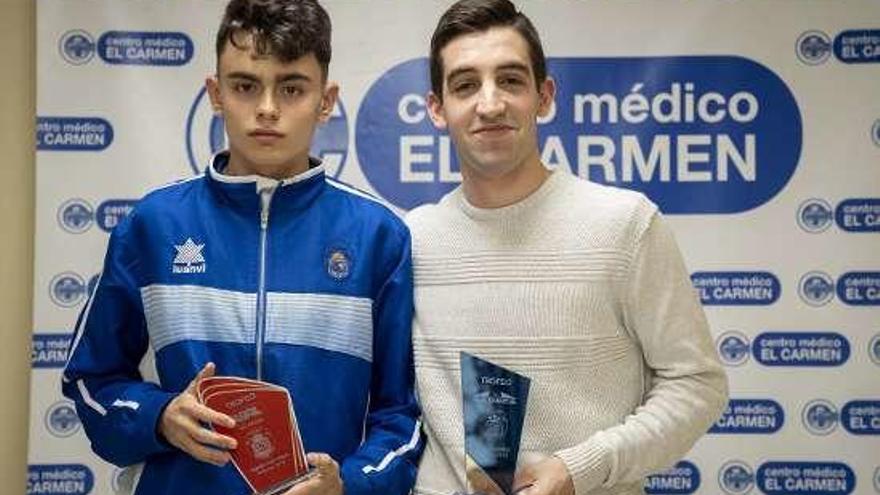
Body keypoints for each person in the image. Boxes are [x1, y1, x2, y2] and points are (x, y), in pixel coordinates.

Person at [61, 1, 422, 494]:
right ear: (215, 93)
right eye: (245, 86)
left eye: (292, 87)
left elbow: (404, 413)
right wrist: (158, 415)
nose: (268, 108)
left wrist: (350, 486)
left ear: (326, 100)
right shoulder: (152, 225)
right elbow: (90, 379)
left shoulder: (379, 236)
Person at [407, 1, 728, 494]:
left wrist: (581, 467)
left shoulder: (624, 224)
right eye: (465, 85)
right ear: (436, 108)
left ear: (545, 96)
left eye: (511, 80)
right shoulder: (412, 240)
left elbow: (697, 385)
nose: (489, 104)